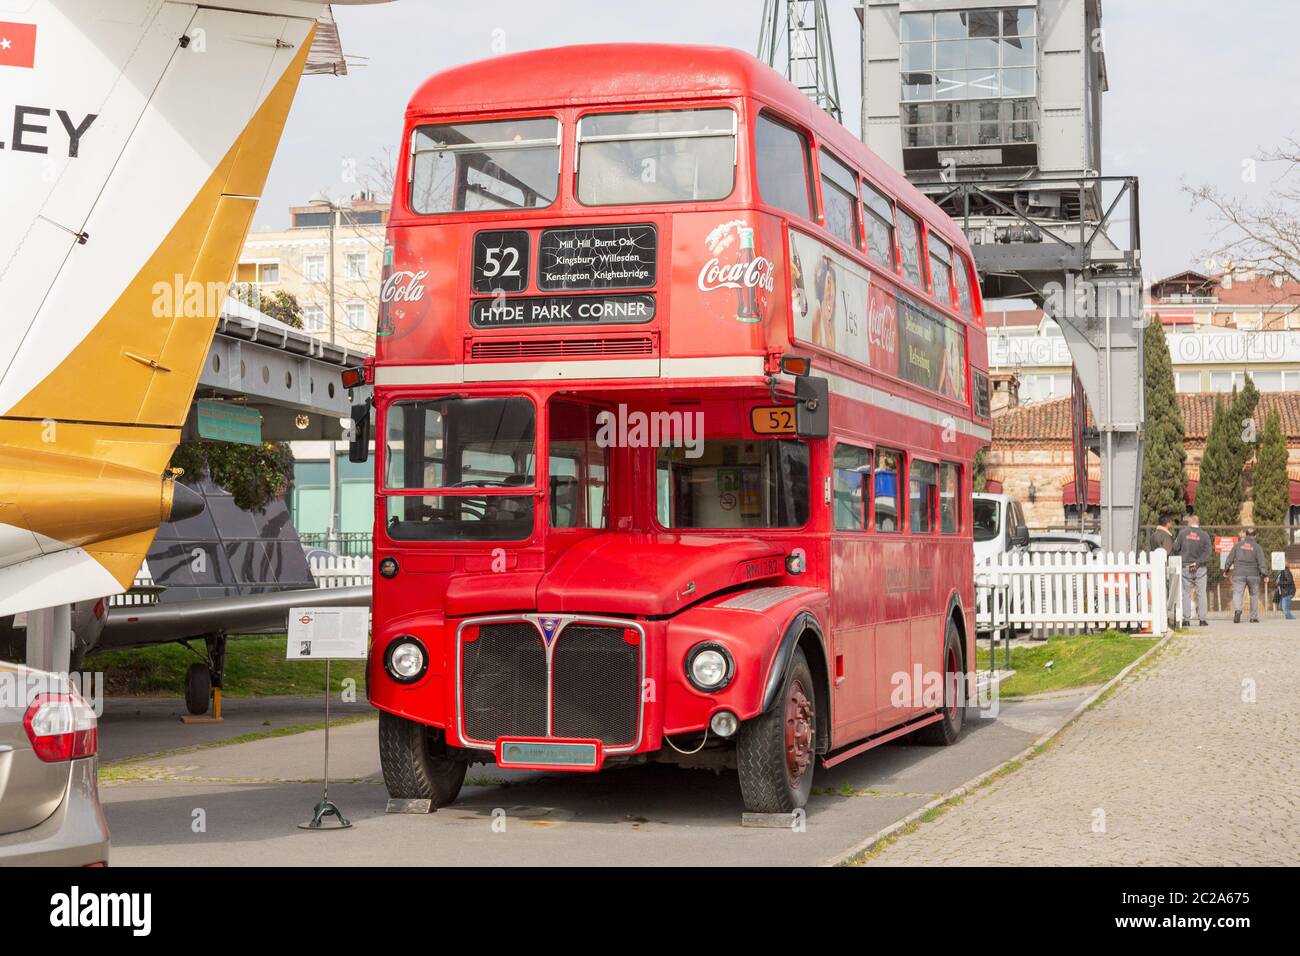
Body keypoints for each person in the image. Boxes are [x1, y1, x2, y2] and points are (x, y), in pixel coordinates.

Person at [1172, 515, 1212, 626]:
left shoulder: (1183, 533)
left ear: (1190, 522)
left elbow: (1175, 548)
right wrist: (1198, 562)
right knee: (1201, 593)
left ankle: (1186, 619)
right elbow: (1208, 552)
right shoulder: (1205, 535)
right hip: (1200, 568)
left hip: (1186, 567)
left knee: (1186, 593)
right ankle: (1202, 619)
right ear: (1198, 522)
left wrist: (1182, 556)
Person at [1224, 528, 1268, 623]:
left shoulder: (1237, 545)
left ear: (1246, 535)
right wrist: (1265, 574)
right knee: (1254, 595)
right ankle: (1253, 617)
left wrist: (1226, 569)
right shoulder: (1257, 547)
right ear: (1255, 536)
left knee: (1238, 593)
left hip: (1239, 573)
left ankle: (1238, 610)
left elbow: (1230, 558)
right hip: (1253, 574)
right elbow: (1261, 562)